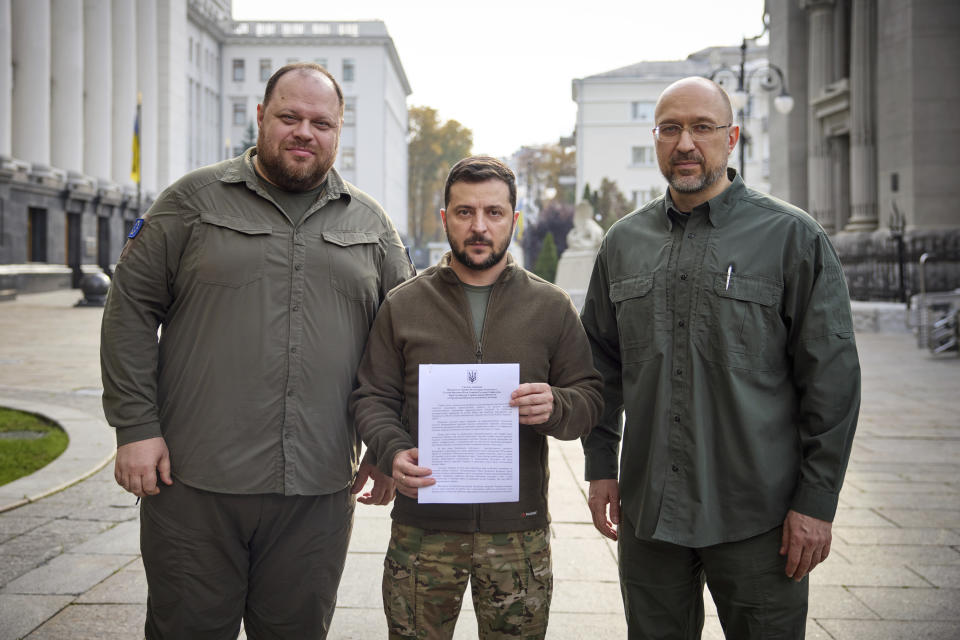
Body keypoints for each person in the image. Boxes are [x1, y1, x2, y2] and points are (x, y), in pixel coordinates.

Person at [100, 62, 414, 639]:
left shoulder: (372, 226)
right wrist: (135, 427)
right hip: (194, 483)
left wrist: (387, 442)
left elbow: (403, 343)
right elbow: (131, 310)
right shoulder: (192, 203)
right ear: (262, 118)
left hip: (318, 490)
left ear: (338, 130)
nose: (304, 132)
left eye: (321, 122)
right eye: (289, 117)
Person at [580, 76, 861, 638]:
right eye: (670, 128)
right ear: (655, 139)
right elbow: (599, 368)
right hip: (650, 514)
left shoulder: (791, 237)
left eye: (702, 128)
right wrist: (599, 467)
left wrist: (816, 501)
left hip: (760, 519)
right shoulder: (622, 243)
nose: (686, 142)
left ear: (731, 139)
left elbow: (831, 379)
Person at [351, 156, 603, 639]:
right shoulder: (404, 304)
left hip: (517, 533)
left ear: (515, 218)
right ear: (445, 218)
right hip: (423, 531)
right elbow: (372, 396)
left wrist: (557, 405)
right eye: (465, 212)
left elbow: (589, 398)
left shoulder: (550, 307)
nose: (479, 226)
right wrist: (392, 449)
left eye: (494, 212)